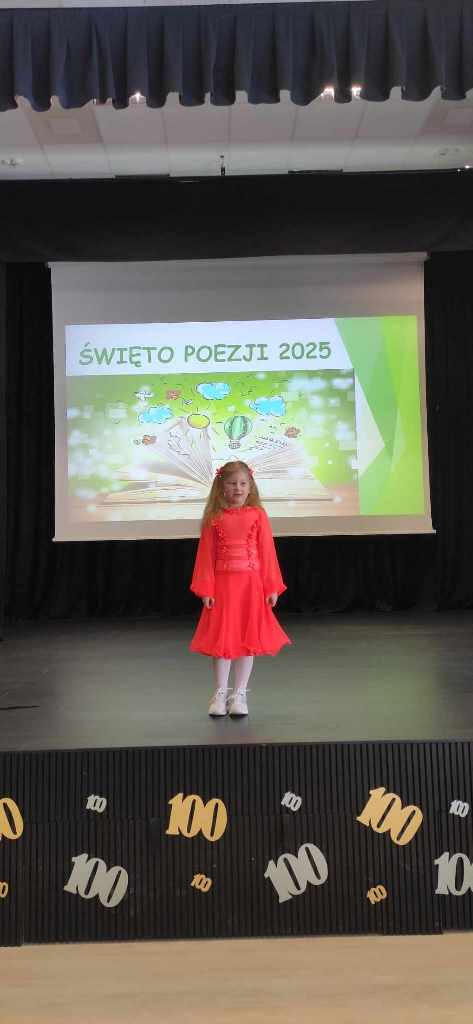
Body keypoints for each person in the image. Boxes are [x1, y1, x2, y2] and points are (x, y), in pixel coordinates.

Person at [189, 460, 291, 717]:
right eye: (232, 483)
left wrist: (271, 586)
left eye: (243, 483)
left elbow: (267, 552)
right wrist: (206, 589)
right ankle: (220, 692)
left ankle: (240, 694)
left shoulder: (258, 515)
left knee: (248, 640)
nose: (238, 488)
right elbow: (205, 556)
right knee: (222, 639)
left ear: (250, 486)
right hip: (223, 587)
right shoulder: (214, 518)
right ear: (222, 487)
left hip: (251, 586)